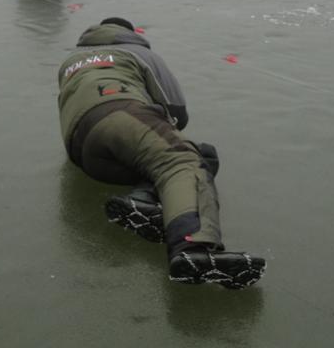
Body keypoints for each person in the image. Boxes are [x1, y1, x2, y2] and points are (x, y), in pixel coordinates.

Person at [57, 17, 266, 289]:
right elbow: (177, 110)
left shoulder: (70, 61)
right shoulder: (138, 52)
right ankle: (192, 249)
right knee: (184, 160)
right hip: (120, 112)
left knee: (189, 156)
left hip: (81, 148)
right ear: (128, 33)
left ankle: (141, 200)